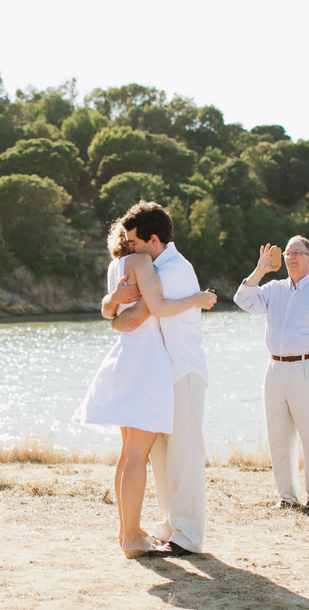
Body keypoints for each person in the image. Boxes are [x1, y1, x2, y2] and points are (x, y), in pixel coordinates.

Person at [73, 209, 215, 559]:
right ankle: (166, 527)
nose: (127, 246)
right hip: (156, 371)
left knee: (184, 455)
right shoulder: (143, 265)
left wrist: (114, 314)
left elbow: (135, 317)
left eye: (134, 240)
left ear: (153, 240)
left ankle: (188, 536)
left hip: (182, 370)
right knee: (158, 456)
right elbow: (128, 316)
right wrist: (114, 313)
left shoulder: (175, 269)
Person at [233, 236, 309, 513]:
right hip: (275, 369)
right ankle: (286, 496)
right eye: (288, 253)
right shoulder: (273, 288)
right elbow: (242, 299)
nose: (292, 257)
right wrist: (261, 269)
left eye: (298, 252)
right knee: (278, 434)